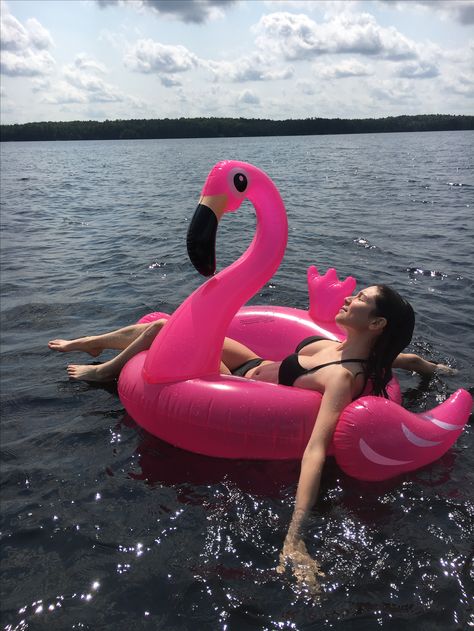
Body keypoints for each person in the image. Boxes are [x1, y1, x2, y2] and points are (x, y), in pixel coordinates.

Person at [48, 285, 456, 591]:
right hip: (255, 363)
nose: (351, 297)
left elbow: (315, 451)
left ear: (377, 323)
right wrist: (431, 369)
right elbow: (403, 359)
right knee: (167, 324)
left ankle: (102, 367)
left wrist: (294, 537)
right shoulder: (349, 347)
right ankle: (93, 345)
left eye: (361, 297)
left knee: (160, 328)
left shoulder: (343, 377)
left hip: (233, 383)